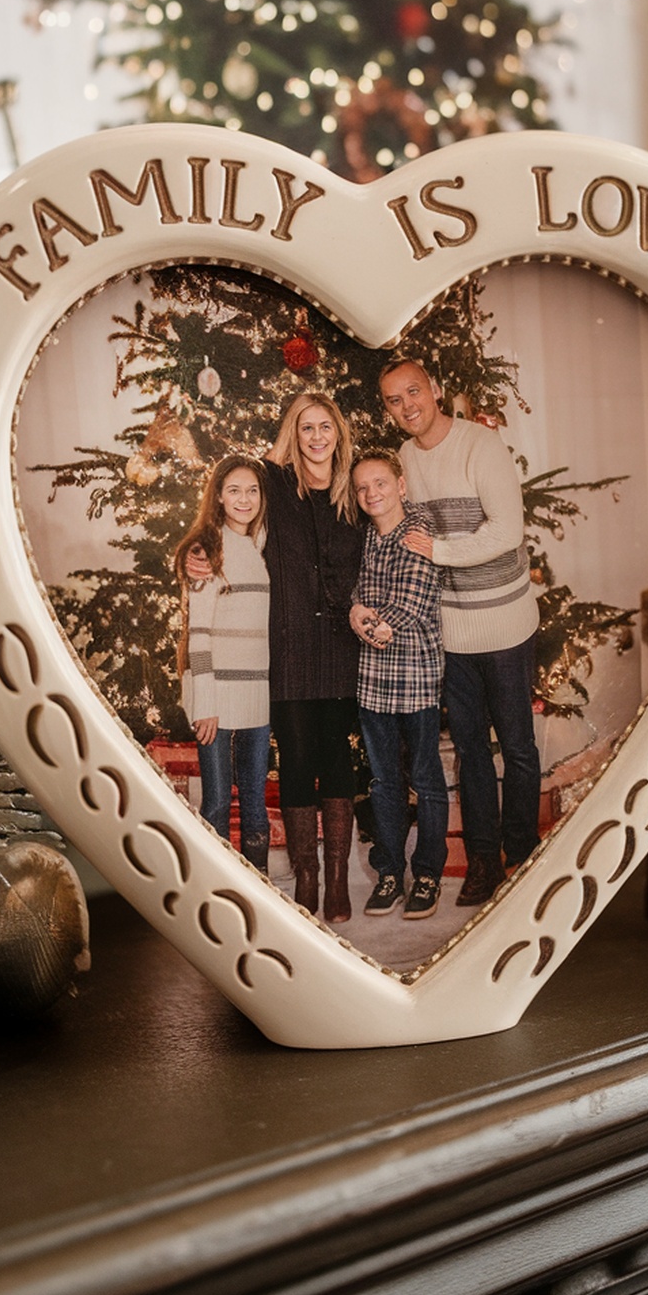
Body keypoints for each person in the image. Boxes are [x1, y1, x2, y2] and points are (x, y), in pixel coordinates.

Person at [187, 393, 362, 922]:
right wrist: (194, 549)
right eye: (305, 427)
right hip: (284, 653)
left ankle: (336, 879)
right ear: (293, 432)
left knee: (336, 761)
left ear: (338, 432)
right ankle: (305, 875)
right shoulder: (275, 485)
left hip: (338, 648)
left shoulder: (352, 490)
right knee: (298, 762)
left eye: (324, 426)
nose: (316, 437)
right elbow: (226, 507)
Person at [375, 359, 541, 906]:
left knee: (516, 747)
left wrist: (439, 551)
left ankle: (520, 853)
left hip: (505, 620)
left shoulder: (481, 446)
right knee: (470, 751)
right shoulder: (402, 460)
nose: (407, 406)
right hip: (452, 628)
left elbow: (508, 530)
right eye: (395, 400)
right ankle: (485, 863)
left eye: (414, 392)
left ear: (437, 389)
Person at [349, 451, 448, 920]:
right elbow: (359, 590)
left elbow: (412, 597)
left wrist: (375, 620)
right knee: (384, 781)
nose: (372, 494)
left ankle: (427, 873)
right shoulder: (368, 535)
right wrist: (358, 612)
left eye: (381, 483)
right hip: (373, 681)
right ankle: (390, 871)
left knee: (425, 778)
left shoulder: (419, 528)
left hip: (417, 678)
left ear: (401, 485)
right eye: (363, 487)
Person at [174, 457, 271, 872]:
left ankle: (260, 886)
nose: (243, 499)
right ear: (218, 496)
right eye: (234, 490)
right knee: (215, 800)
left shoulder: (263, 544)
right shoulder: (206, 549)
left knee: (254, 799)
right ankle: (218, 884)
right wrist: (205, 701)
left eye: (252, 490)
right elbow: (199, 632)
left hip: (258, 693)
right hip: (215, 694)